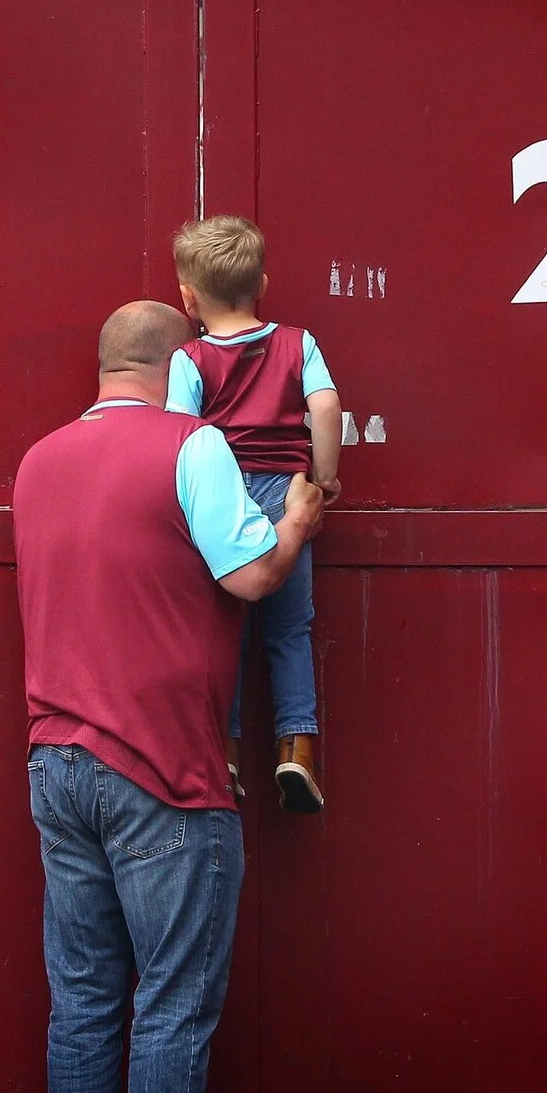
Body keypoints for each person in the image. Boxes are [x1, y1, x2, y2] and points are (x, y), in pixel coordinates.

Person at [12, 299, 325, 1093]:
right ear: (175, 362)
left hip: (56, 760)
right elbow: (248, 577)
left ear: (105, 365)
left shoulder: (37, 460)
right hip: (162, 769)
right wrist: (296, 523)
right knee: (173, 1001)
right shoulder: (192, 447)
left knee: (86, 1001)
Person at [165, 217, 342, 812]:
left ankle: (228, 756)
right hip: (285, 494)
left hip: (222, 501)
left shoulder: (189, 359)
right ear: (262, 281)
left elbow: (179, 436)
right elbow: (326, 404)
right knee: (289, 630)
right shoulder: (298, 343)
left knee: (228, 634)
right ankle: (297, 749)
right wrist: (323, 478)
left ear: (188, 299)